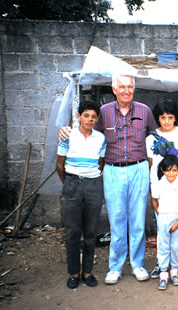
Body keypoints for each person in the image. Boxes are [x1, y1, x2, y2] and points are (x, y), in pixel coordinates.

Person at [59, 74, 158, 284]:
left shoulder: (144, 111)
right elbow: (87, 132)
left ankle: (138, 264)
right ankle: (115, 267)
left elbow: (156, 136)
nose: (126, 91)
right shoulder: (103, 113)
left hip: (139, 168)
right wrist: (65, 130)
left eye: (130, 87)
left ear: (134, 89)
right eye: (121, 87)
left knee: (138, 218)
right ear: (114, 89)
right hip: (112, 170)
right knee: (117, 219)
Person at [56, 100, 106, 289]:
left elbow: (100, 163)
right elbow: (59, 164)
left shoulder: (101, 138)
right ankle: (74, 273)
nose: (90, 120)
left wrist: (90, 180)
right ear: (79, 116)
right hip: (72, 184)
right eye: (86, 115)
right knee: (73, 231)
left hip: (93, 184)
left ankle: (87, 272)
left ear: (97, 119)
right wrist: (70, 182)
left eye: (94, 117)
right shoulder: (68, 135)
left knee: (91, 231)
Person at [146, 99, 178, 279]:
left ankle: (177, 264)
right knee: (162, 228)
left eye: (170, 117)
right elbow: (151, 163)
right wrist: (154, 184)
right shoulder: (151, 138)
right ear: (157, 118)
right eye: (163, 117)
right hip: (160, 187)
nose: (166, 121)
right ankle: (162, 265)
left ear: (175, 117)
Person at [151, 155, 178, 290]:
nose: (171, 174)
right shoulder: (159, 184)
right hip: (163, 218)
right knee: (163, 245)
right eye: (168, 170)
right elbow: (154, 200)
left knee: (176, 245)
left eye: (174, 170)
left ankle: (174, 271)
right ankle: (163, 273)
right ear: (162, 170)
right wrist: (159, 213)